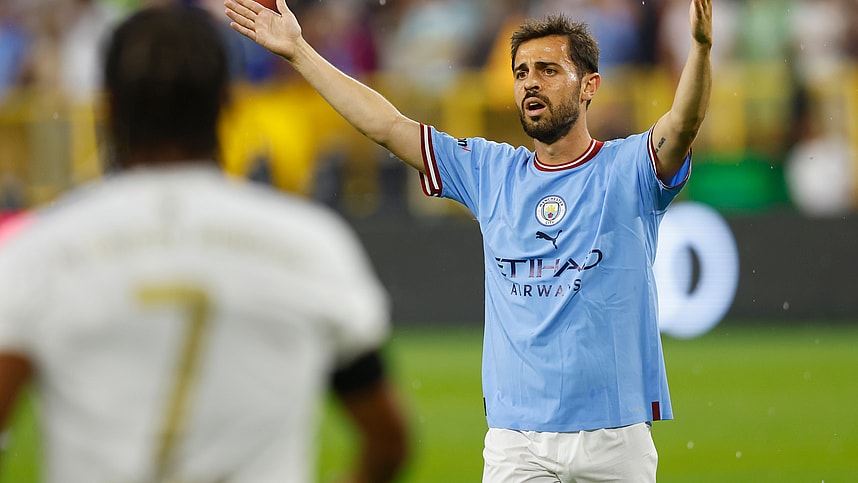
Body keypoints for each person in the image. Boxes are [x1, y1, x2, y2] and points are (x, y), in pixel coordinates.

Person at [225, 0, 712, 480]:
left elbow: (683, 124)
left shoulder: (628, 169)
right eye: (521, 72)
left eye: (547, 69)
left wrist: (700, 48)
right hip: (516, 443)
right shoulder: (490, 170)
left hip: (613, 438)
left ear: (590, 87)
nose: (530, 83)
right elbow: (387, 126)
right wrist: (298, 52)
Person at [0, 5, 409, 483]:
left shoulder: (42, 250)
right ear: (226, 104)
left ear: (106, 107)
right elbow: (388, 441)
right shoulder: (311, 245)